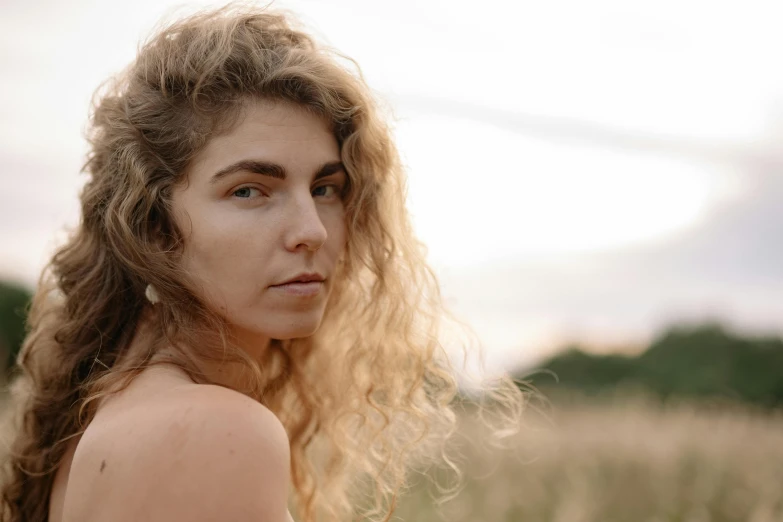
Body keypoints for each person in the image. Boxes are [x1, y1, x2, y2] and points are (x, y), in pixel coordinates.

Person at [0, 4, 525, 522]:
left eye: (325, 188)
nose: (312, 230)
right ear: (153, 228)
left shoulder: (117, 409)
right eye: (250, 190)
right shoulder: (209, 430)